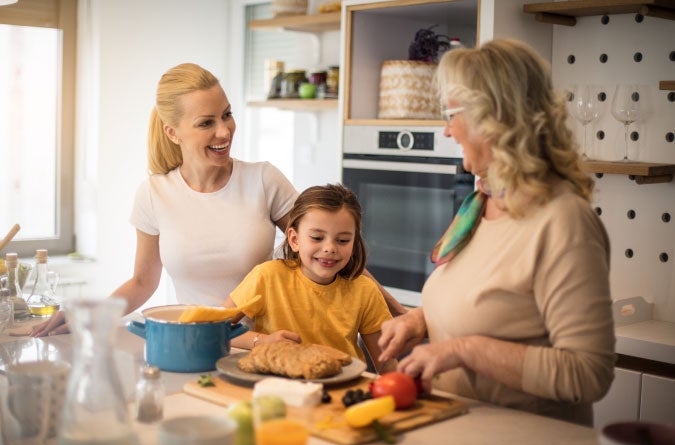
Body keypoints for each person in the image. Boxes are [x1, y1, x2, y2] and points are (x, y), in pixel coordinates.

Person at [31, 63, 407, 337]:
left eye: (227, 115)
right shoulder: (154, 193)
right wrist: (92, 312)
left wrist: (399, 311)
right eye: (206, 122)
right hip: (191, 340)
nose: (225, 131)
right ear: (173, 132)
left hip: (265, 344)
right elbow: (143, 281)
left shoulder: (263, 179)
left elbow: (326, 246)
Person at [377, 39, 615, 425]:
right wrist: (421, 321)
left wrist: (464, 350)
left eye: (451, 114)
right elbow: (490, 303)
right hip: (457, 427)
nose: (446, 131)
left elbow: (588, 374)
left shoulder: (563, 221)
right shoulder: (481, 200)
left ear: (495, 118)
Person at [223, 184, 397, 374]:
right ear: (295, 240)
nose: (330, 248)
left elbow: (387, 364)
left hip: (343, 389)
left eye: (343, 240)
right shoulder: (267, 276)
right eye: (317, 237)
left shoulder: (365, 290)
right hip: (279, 384)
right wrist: (261, 341)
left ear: (354, 243)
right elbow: (216, 329)